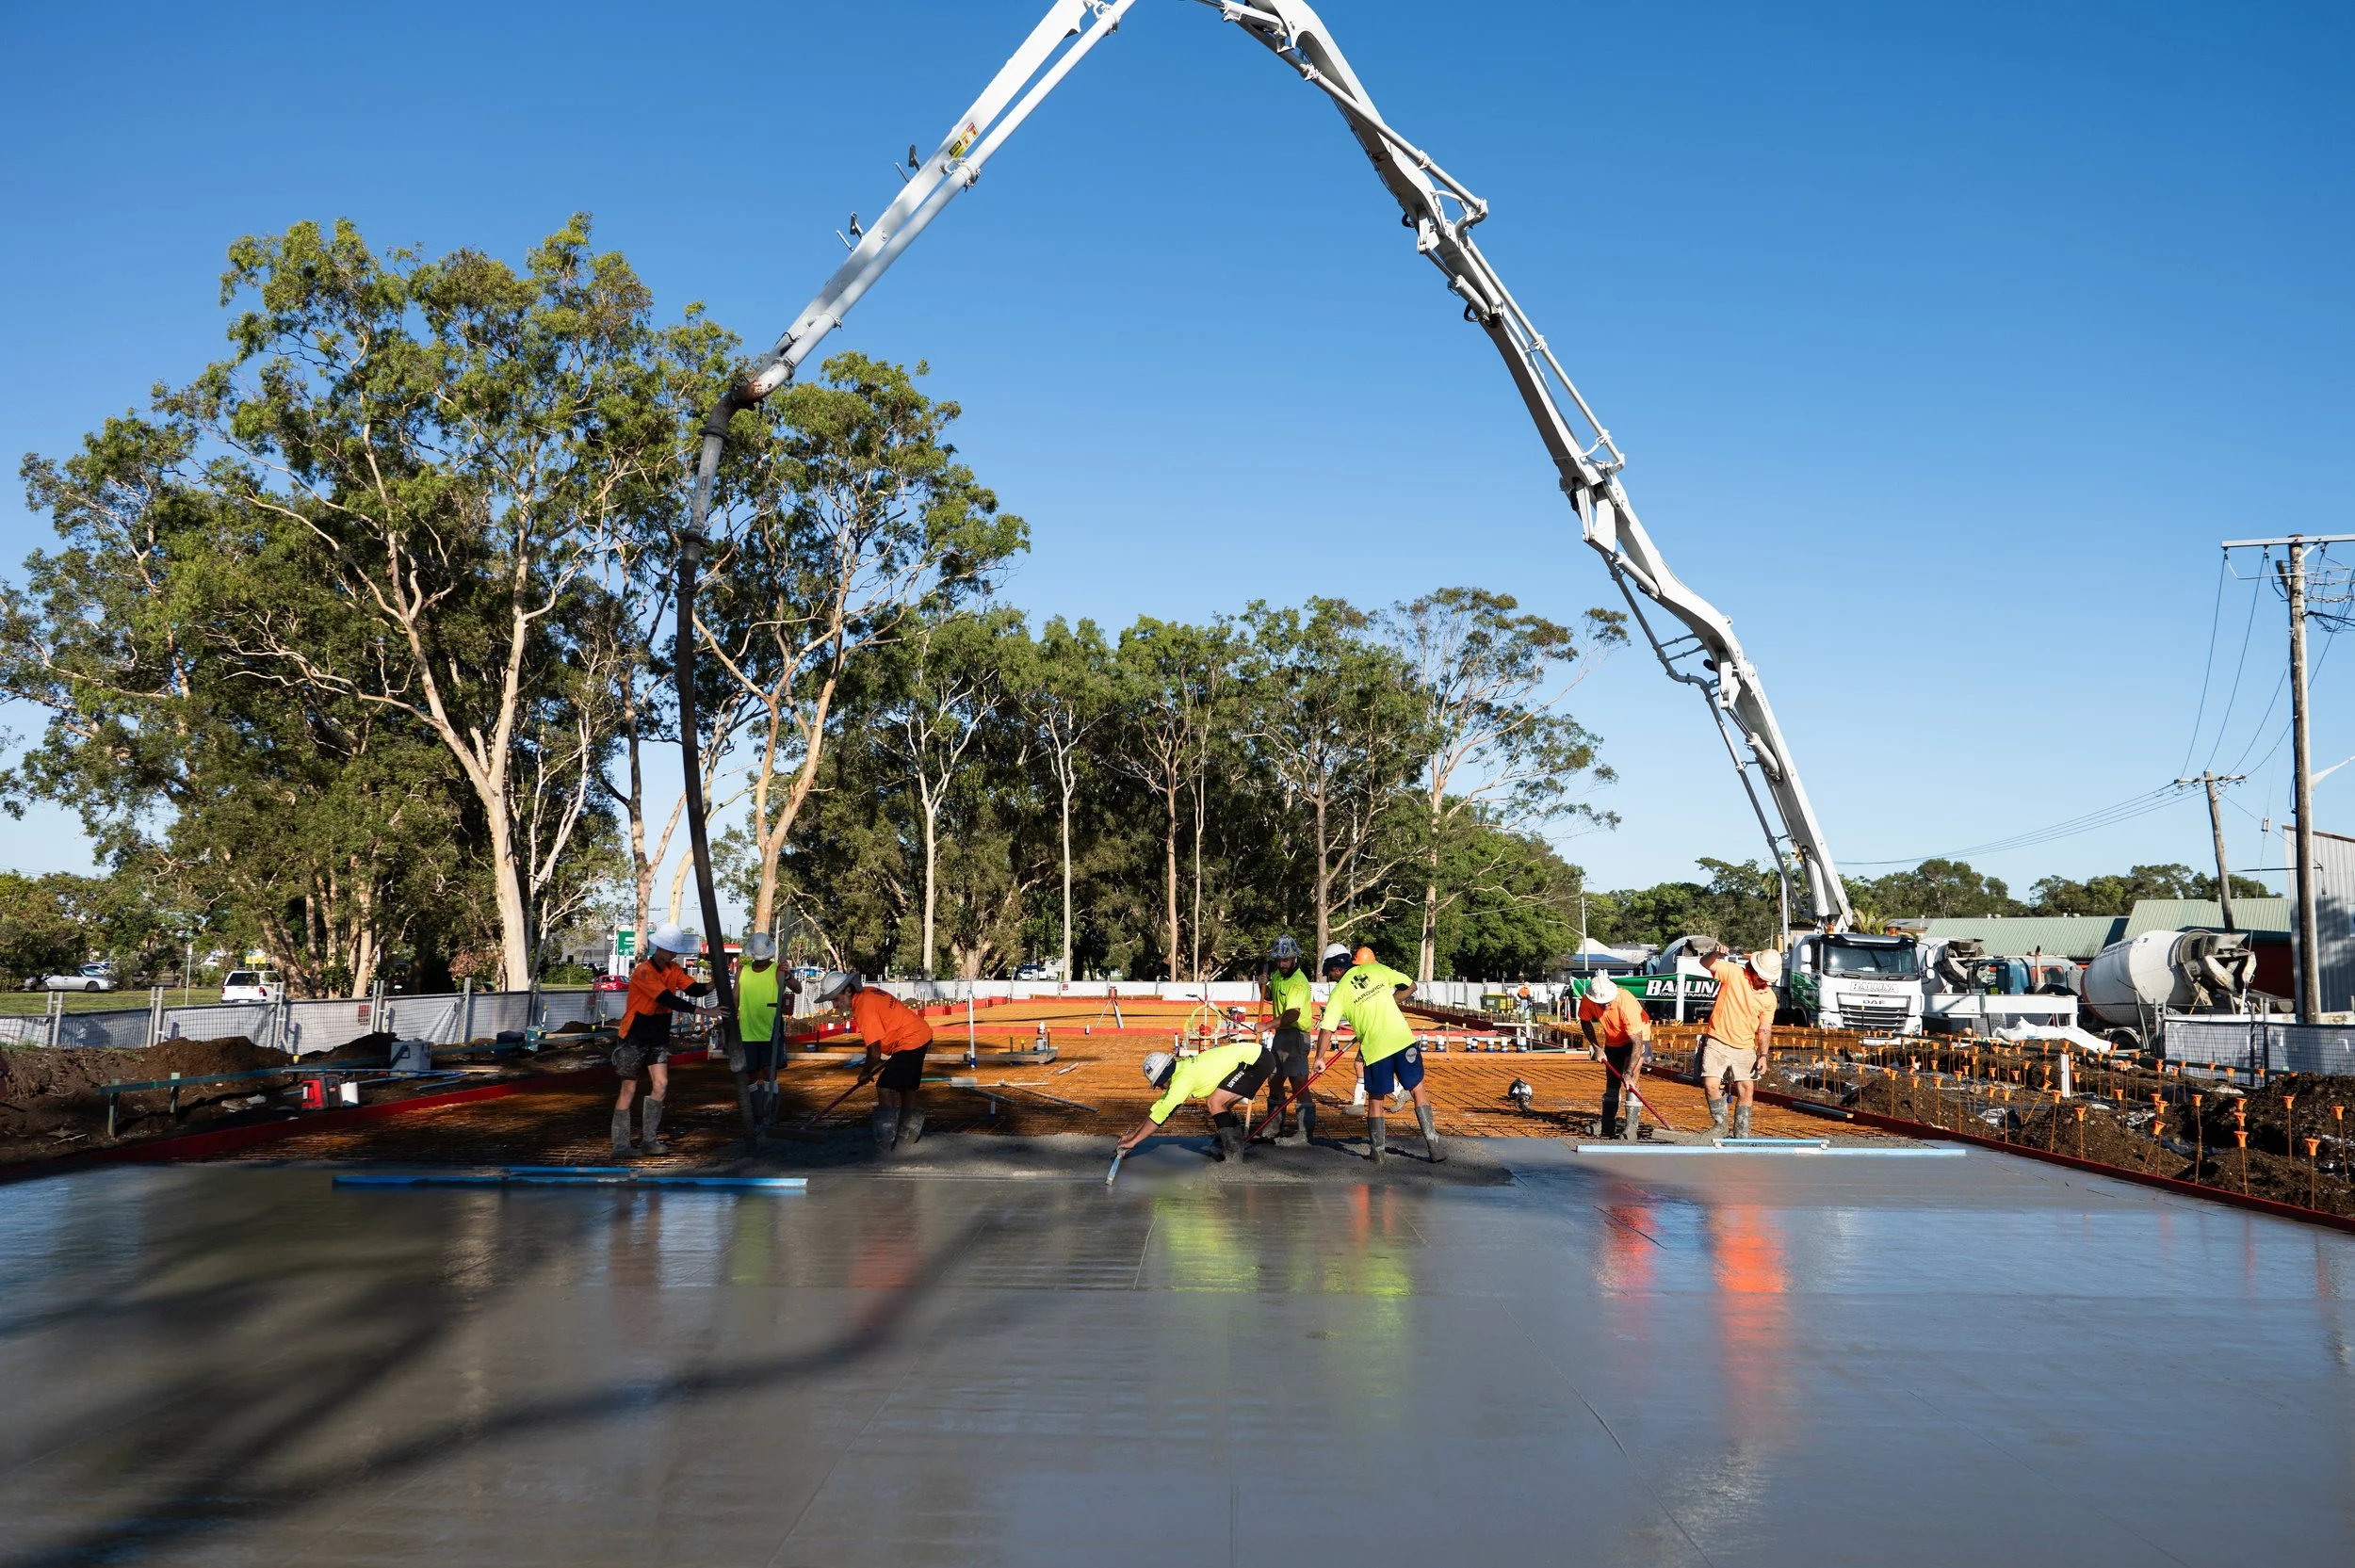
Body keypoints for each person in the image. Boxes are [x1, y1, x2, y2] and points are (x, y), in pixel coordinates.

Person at [1316, 944, 1439, 1164]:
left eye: (1330, 973)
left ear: (1335, 969)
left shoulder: (1340, 991)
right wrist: (1390, 1002)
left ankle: (1378, 1154)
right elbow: (1411, 986)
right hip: (1403, 1040)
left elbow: (1327, 1028)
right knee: (1417, 1088)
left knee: (1375, 1099)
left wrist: (1319, 1058)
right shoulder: (1377, 969)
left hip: (1376, 1048)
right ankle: (1434, 1145)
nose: (1331, 978)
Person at [612, 922, 714, 1156]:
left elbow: (694, 990)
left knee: (661, 1084)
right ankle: (620, 1145)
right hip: (635, 1035)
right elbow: (667, 999)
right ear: (659, 948)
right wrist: (704, 1012)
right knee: (629, 1089)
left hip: (657, 1032)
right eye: (671, 949)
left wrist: (714, 982)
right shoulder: (644, 972)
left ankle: (649, 1139)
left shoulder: (674, 969)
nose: (674, 953)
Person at [818, 971, 934, 1152]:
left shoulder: (864, 1007)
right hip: (918, 1034)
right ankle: (907, 1135)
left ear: (848, 991)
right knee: (908, 1086)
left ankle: (886, 1141)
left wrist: (866, 1071)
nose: (834, 1005)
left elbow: (874, 1051)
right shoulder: (868, 993)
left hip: (910, 1040)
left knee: (884, 1086)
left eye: (836, 999)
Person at [1114, 1039, 1275, 1162]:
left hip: (1255, 1061)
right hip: (1253, 1056)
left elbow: (1160, 1116)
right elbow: (1157, 1110)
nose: (1162, 1089)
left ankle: (1233, 1153)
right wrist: (1131, 1136)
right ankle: (1232, 1139)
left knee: (1215, 1102)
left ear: (1164, 1076)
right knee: (1221, 1104)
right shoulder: (1179, 1070)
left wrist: (1134, 1142)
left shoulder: (1182, 1081)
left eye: (1159, 1084)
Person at [1692, 937, 1780, 1139]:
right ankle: (1720, 1125)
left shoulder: (1769, 998)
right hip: (1718, 1039)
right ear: (1754, 969)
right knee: (1711, 1084)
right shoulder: (1733, 973)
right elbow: (1706, 963)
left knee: (1747, 1088)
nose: (1764, 981)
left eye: (1768, 979)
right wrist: (1715, 953)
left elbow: (1765, 1028)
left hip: (1745, 1046)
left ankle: (1741, 1132)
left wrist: (1763, 1055)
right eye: (1761, 977)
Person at [732, 934, 802, 1132]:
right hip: (747, 1031)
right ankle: (756, 1115)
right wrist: (729, 1022)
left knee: (769, 1072)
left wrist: (787, 975)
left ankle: (769, 1114)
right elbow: (735, 998)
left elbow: (797, 988)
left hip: (770, 1030)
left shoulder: (777, 971)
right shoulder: (742, 972)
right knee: (751, 1074)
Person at [1577, 973, 1650, 1141]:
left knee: (1631, 1082)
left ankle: (1631, 1127)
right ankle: (1608, 1123)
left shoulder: (1626, 1002)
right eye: (1601, 1003)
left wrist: (1629, 1072)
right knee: (1612, 1081)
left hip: (1638, 1038)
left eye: (1608, 1001)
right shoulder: (1588, 999)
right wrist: (1597, 1047)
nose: (1605, 1004)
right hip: (1614, 1038)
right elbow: (1585, 1021)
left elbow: (1637, 1044)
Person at [1260, 934, 1317, 1145]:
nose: (1282, 964)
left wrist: (1266, 1025)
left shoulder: (1298, 982)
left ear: (1295, 959)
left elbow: (1292, 1014)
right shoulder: (1278, 975)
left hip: (1295, 1036)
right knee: (1274, 1079)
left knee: (1298, 1082)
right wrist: (1263, 985)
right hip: (1281, 1035)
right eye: (1279, 960)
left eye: (1286, 960)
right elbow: (1268, 996)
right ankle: (1274, 1127)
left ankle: (1305, 1134)